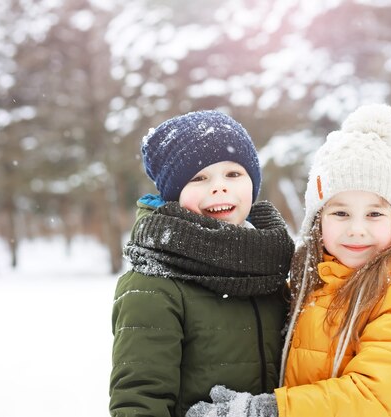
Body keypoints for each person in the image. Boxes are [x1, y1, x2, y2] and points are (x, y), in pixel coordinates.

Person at [186, 104, 391, 417]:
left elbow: (375, 396)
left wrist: (269, 410)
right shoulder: (311, 279)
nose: (357, 229)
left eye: (374, 214)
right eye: (340, 213)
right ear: (318, 221)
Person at [109, 110, 295, 417]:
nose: (220, 187)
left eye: (234, 174)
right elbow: (140, 399)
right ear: (173, 194)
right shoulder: (153, 283)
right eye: (199, 178)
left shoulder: (275, 265)